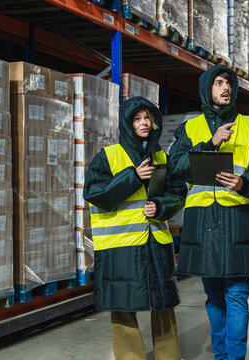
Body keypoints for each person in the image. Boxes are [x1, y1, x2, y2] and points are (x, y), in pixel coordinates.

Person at [169, 64, 249, 360]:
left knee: (237, 296)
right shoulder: (190, 129)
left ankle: (234, 358)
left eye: (228, 83)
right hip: (202, 222)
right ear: (207, 89)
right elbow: (175, 167)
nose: (225, 88)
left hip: (236, 220)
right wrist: (210, 144)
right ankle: (221, 356)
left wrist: (245, 182)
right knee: (214, 297)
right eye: (218, 83)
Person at [83, 96, 186, 360]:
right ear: (128, 124)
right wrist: (132, 177)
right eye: (137, 119)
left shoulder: (161, 157)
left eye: (147, 118)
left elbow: (177, 191)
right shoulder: (107, 157)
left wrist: (161, 207)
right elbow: (95, 193)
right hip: (121, 248)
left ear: (153, 123)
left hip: (156, 243)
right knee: (123, 309)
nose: (143, 123)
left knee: (163, 305)